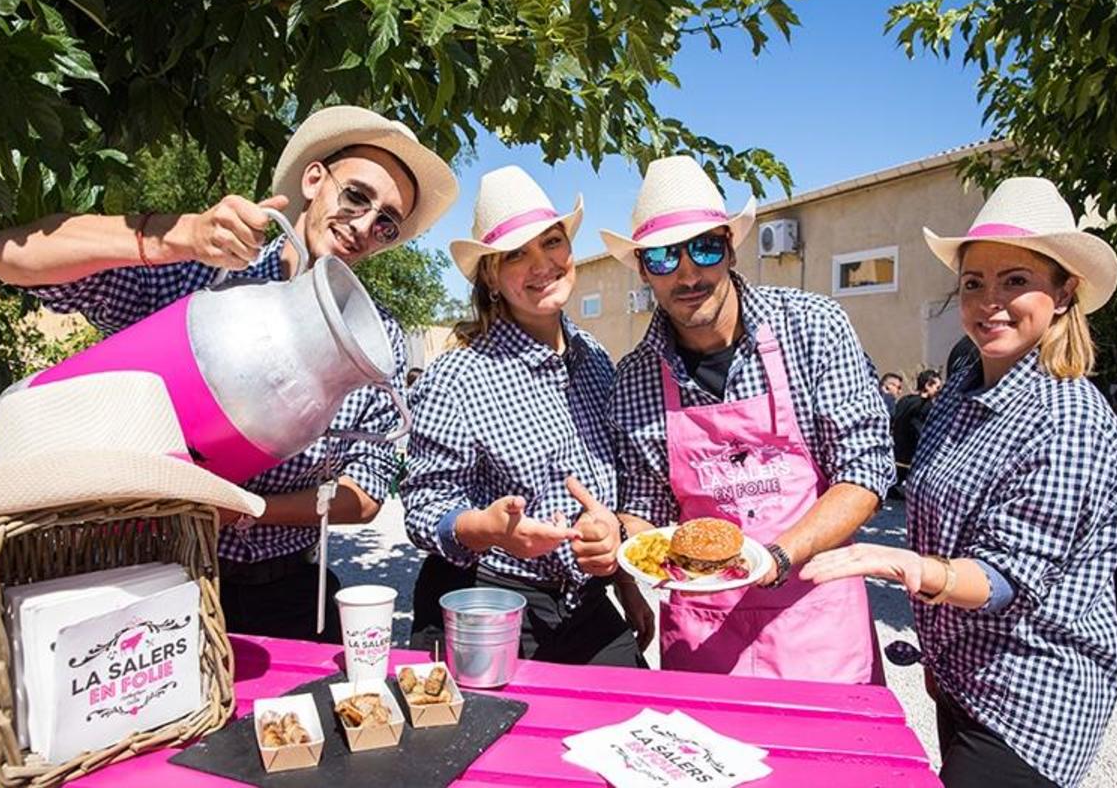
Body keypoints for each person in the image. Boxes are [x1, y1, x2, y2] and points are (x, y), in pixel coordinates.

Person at [0, 106, 459, 643]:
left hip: (287, 596)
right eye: (357, 197)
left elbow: (365, 491)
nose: (365, 226)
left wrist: (243, 512)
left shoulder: (375, 342)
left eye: (387, 223)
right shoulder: (202, 269)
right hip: (147, 584)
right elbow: (6, 257)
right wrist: (170, 237)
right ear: (314, 179)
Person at [801, 177, 1117, 788]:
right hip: (962, 674)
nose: (990, 302)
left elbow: (1005, 579)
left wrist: (899, 563)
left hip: (1029, 700)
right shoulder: (962, 385)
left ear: (1064, 293)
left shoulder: (1069, 421)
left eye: (1016, 281)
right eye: (974, 283)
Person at [593, 155, 894, 681]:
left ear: (730, 248)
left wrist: (777, 557)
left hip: (817, 622)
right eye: (664, 258)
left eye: (705, 247)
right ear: (642, 268)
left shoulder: (814, 328)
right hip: (703, 634)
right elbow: (647, 509)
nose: (688, 273)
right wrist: (620, 536)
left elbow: (864, 473)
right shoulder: (635, 379)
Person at [401, 166, 651, 666]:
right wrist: (488, 529)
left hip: (583, 604)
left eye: (552, 242)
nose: (543, 264)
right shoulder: (458, 375)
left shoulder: (596, 358)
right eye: (517, 253)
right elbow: (422, 508)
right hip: (487, 602)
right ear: (491, 276)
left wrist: (622, 575)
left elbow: (606, 499)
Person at [892, 369, 942, 485]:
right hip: (911, 461)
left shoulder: (904, 400)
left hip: (897, 456)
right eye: (937, 388)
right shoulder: (925, 407)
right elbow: (922, 433)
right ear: (928, 385)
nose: (939, 392)